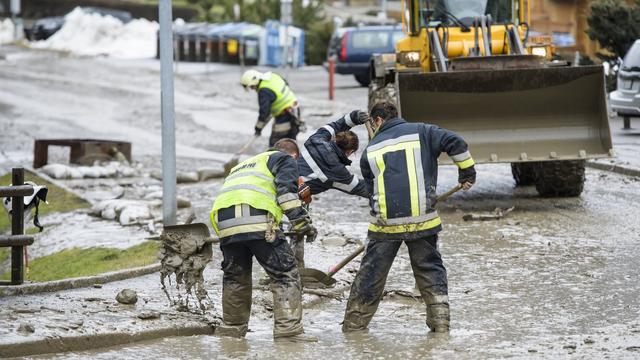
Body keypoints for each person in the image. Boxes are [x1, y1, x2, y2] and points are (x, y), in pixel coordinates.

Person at [342, 101, 476, 333]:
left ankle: (354, 326)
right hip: (423, 219)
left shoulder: (370, 151)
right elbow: (456, 142)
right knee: (429, 268)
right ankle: (440, 323)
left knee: (371, 274)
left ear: (378, 121)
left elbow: (371, 190)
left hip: (385, 224)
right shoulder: (424, 131)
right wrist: (467, 171)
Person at [210, 138, 318, 342]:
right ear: (294, 155)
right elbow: (286, 195)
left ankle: (233, 330)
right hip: (257, 221)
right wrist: (301, 222)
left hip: (226, 225)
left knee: (235, 277)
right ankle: (288, 331)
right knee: (285, 273)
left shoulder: (244, 165)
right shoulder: (285, 159)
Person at [297, 110, 371, 198]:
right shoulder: (336, 170)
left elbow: (336, 125)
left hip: (282, 176)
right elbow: (361, 188)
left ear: (335, 138)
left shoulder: (316, 139)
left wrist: (355, 116)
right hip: (290, 194)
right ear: (350, 152)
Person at [240, 69, 304, 147]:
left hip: (284, 117)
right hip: (295, 112)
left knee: (275, 145)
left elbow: (264, 113)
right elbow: (286, 85)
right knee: (291, 143)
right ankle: (293, 158)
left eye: (252, 87)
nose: (253, 89)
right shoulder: (273, 76)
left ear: (255, 81)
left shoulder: (264, 90)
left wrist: (258, 128)